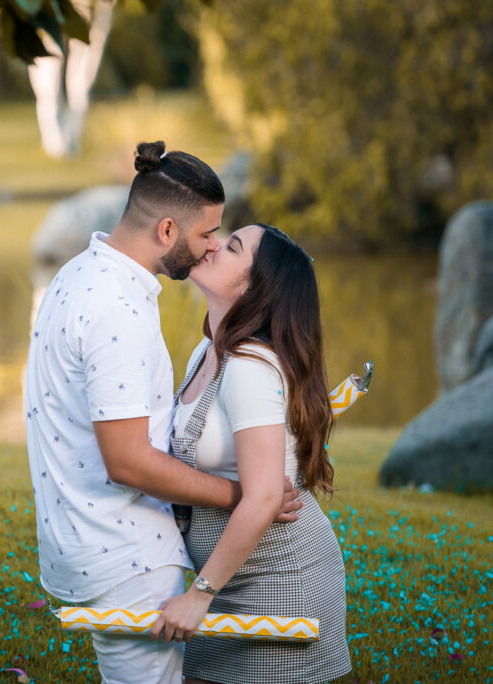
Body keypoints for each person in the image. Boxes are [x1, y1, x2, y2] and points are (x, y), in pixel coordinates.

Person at [24, 141, 303, 684]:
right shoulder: (118, 310)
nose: (209, 250)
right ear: (168, 231)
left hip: (85, 540)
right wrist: (243, 495)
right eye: (205, 236)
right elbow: (127, 462)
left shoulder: (76, 274)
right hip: (127, 553)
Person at [150, 223, 352, 683]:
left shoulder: (250, 367)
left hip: (278, 583)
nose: (214, 244)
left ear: (255, 286)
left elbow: (263, 498)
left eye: (233, 246)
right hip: (225, 580)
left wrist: (199, 595)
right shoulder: (206, 351)